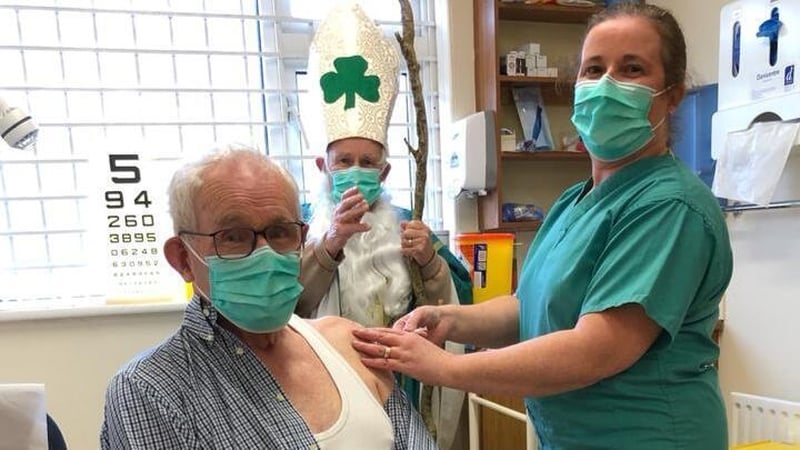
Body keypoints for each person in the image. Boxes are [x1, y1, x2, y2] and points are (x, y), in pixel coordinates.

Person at [352, 4, 734, 450]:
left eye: (632, 69)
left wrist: (446, 369)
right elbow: (528, 307)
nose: (606, 85)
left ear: (672, 95)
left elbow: (597, 348)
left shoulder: (671, 207)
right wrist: (448, 320)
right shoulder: (575, 201)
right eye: (593, 70)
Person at [100, 145, 435, 449]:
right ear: (183, 259)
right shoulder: (151, 390)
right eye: (232, 236)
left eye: (279, 232)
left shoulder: (348, 343)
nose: (265, 254)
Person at [297, 1, 471, 328]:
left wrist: (430, 262)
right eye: (344, 161)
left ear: (384, 172)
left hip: (396, 372)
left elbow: (454, 306)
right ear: (323, 166)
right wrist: (331, 243)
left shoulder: (407, 228)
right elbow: (287, 307)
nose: (356, 170)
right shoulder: (298, 229)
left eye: (367, 162)